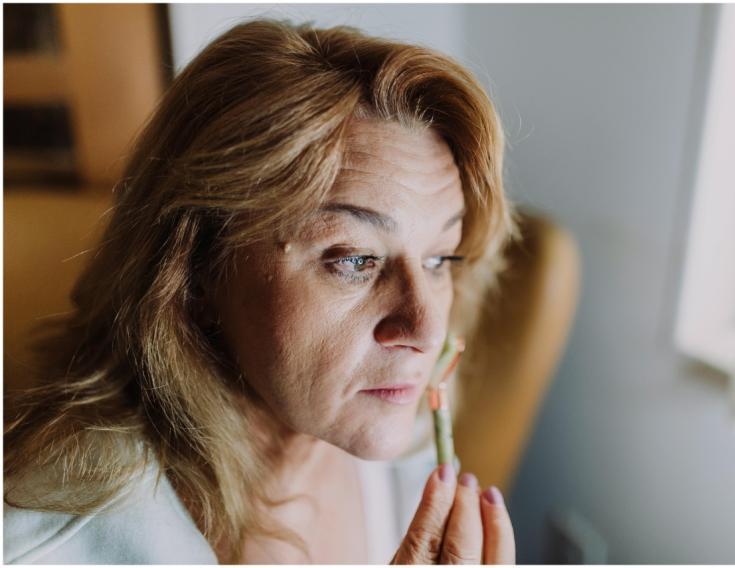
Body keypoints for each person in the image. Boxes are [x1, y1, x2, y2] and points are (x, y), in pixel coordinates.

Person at [4, 18, 518, 564]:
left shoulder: (400, 433)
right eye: (355, 259)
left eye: (439, 258)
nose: (427, 329)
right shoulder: (46, 545)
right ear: (196, 271)